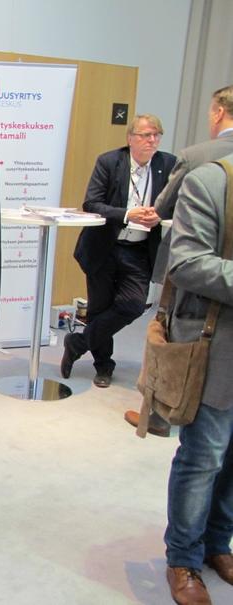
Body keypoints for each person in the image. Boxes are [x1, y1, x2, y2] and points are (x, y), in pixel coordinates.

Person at [125, 85, 233, 437]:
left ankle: (159, 414)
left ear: (218, 112)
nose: (152, 140)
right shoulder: (112, 161)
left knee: (167, 335)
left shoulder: (195, 156)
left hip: (193, 273)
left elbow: (163, 206)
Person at [162, 153, 233, 605]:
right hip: (216, 346)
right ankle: (183, 558)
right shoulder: (210, 181)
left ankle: (218, 543)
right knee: (204, 456)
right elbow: (186, 263)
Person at [62, 114, 176, 388]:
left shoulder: (167, 164)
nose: (152, 141)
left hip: (139, 249)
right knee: (100, 307)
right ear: (130, 138)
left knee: (133, 305)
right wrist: (127, 214)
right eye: (146, 135)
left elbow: (176, 204)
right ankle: (103, 366)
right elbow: (92, 203)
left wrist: (159, 215)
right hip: (105, 245)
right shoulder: (110, 162)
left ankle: (77, 343)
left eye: (156, 135)